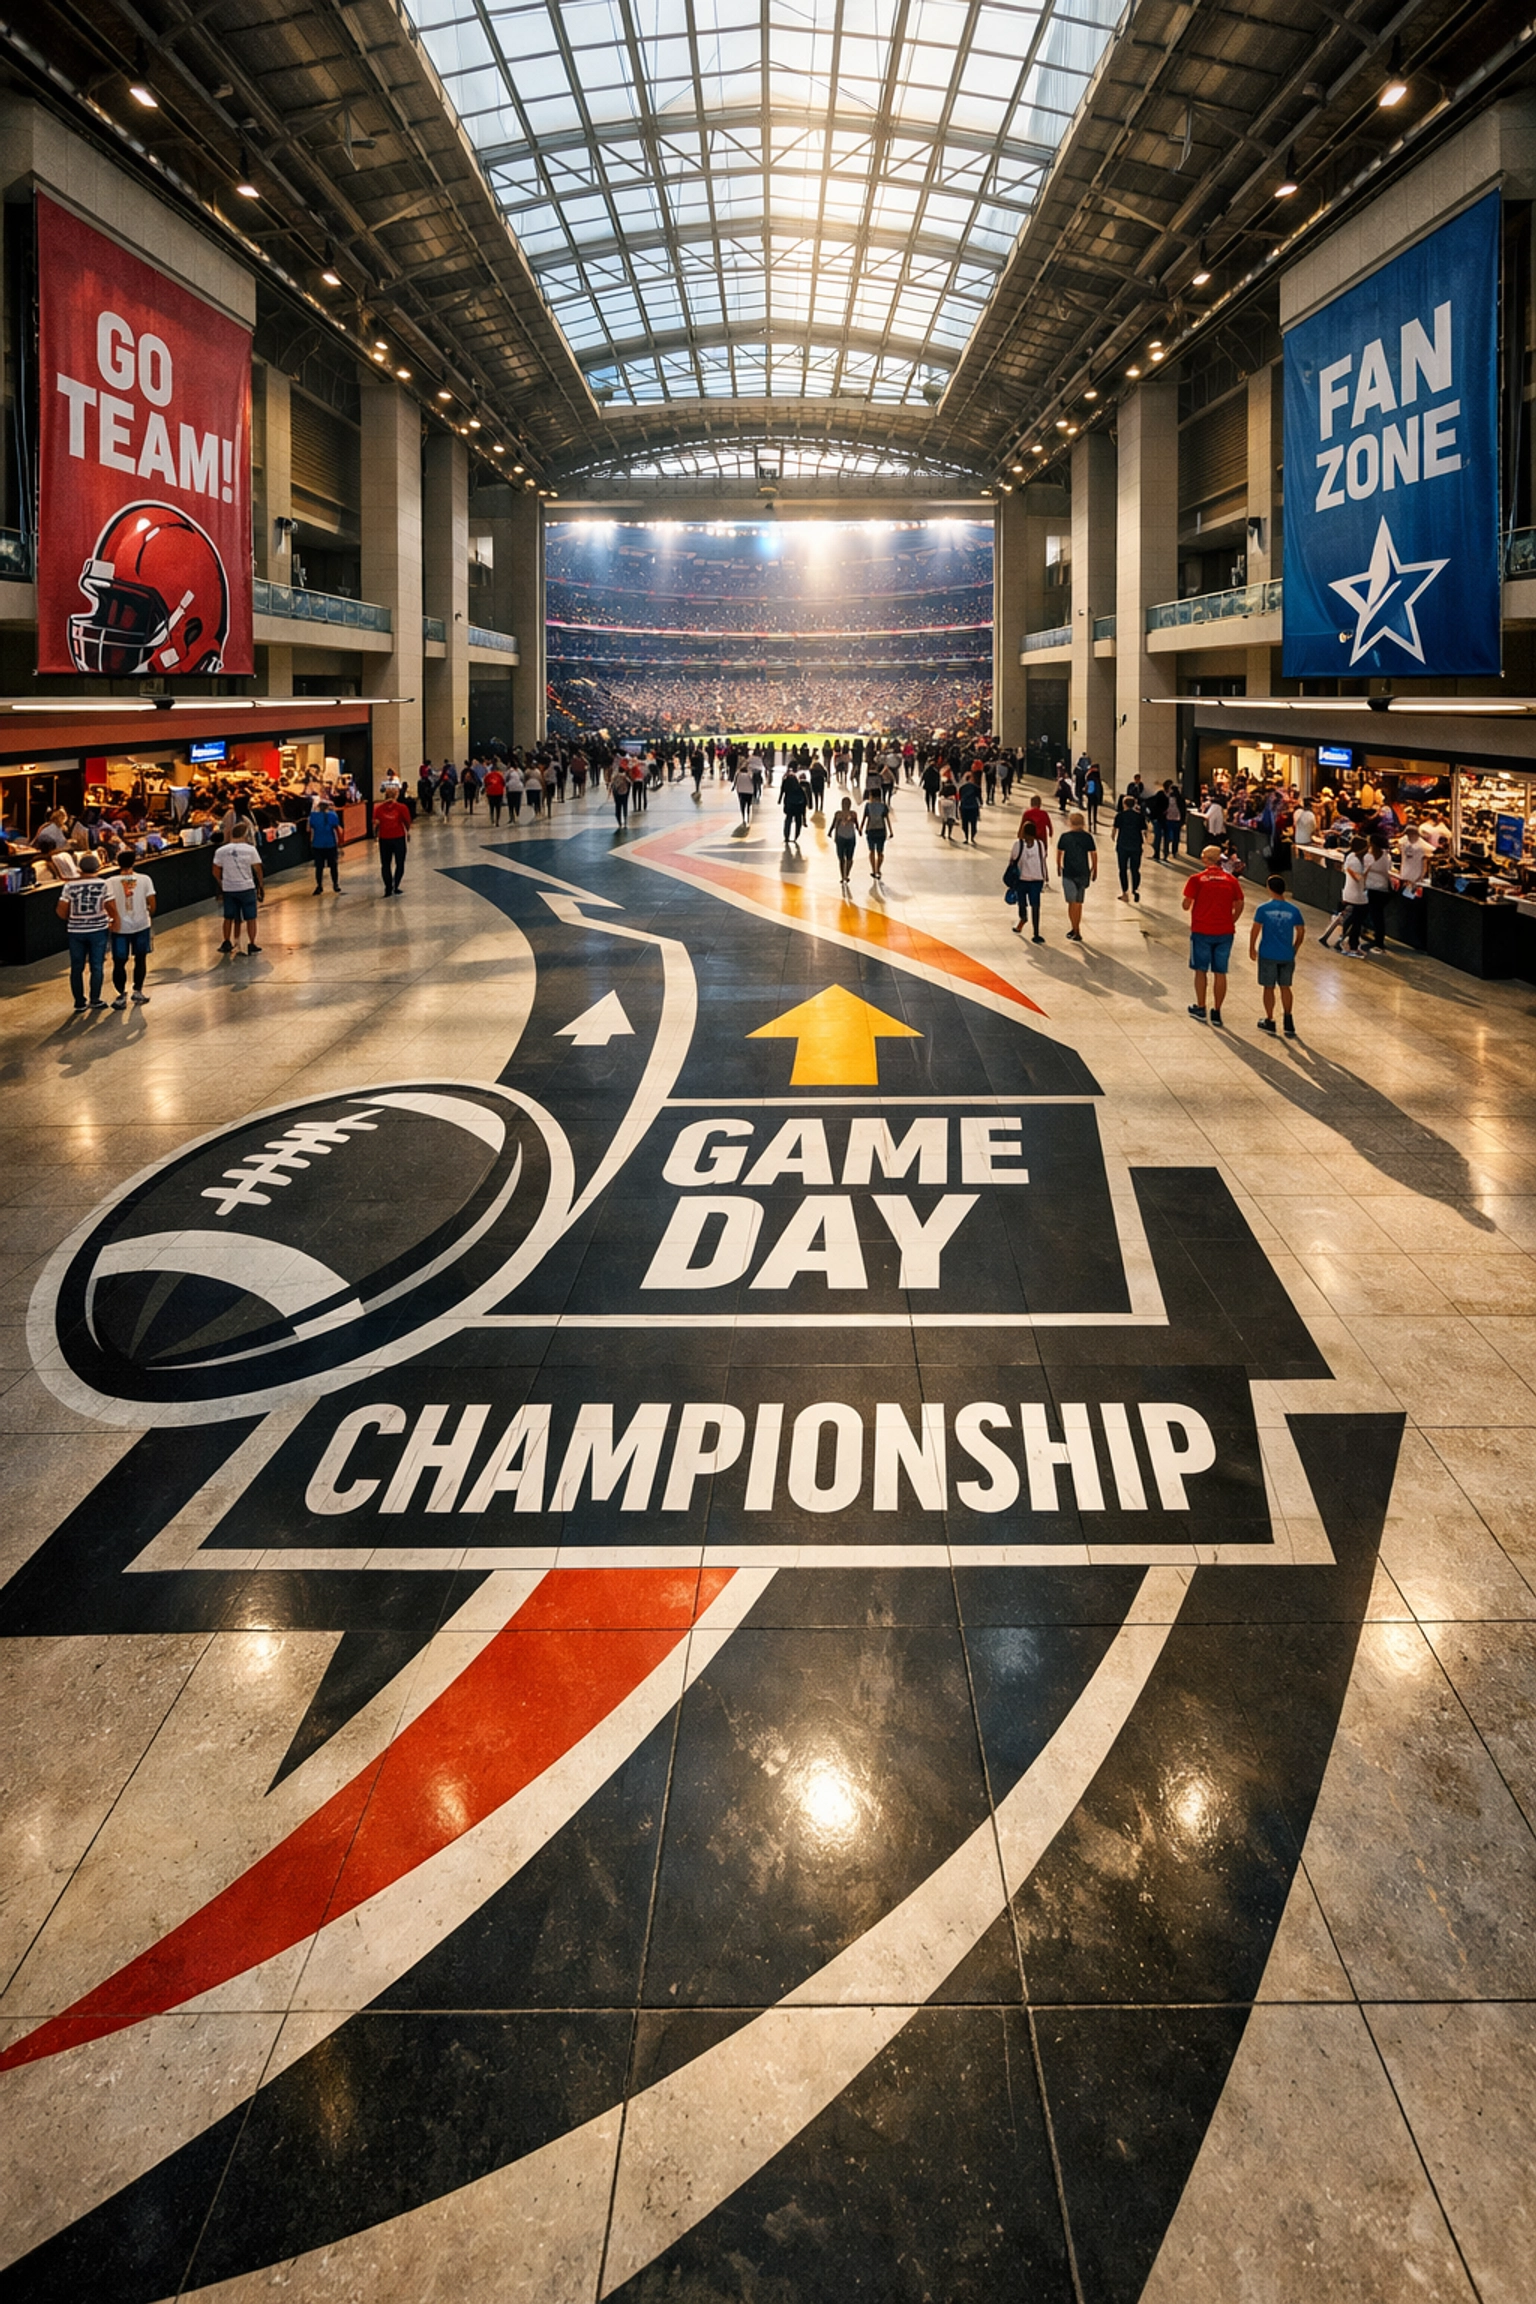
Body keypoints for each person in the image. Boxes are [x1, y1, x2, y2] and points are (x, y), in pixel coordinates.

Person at [1182, 843, 1245, 1024]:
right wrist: (1232, 920)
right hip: (1224, 931)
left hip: (1201, 929)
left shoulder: (1196, 879)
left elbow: (1186, 905)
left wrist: (1188, 904)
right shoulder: (1231, 880)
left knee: (1200, 970)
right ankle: (1217, 1011)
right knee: (1220, 972)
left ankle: (1200, 1006)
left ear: (1205, 859)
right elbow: (1240, 902)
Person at [1249, 873, 1305, 1036]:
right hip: (1287, 954)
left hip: (1268, 953)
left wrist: (1252, 948)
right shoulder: (1294, 910)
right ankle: (1288, 1020)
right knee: (1285, 987)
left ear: (1269, 888)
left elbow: (1255, 929)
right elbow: (1300, 931)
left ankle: (1270, 1019)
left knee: (1269, 987)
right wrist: (1295, 947)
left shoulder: (1263, 909)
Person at [56, 852, 112, 1009]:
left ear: (80, 869)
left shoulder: (69, 886)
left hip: (75, 931)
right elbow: (111, 906)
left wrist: (73, 919)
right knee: (96, 966)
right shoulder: (104, 884)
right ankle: (95, 999)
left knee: (77, 967)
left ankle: (79, 1002)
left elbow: (61, 911)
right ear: (98, 867)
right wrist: (112, 921)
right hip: (98, 930)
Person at [103, 854, 156, 1006]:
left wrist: (113, 920)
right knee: (140, 959)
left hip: (119, 928)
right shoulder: (145, 879)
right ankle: (138, 991)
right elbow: (152, 902)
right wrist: (147, 914)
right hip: (141, 925)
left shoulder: (109, 882)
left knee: (119, 962)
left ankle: (120, 996)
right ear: (134, 862)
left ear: (117, 863)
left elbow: (106, 903)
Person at [213, 819, 264, 956]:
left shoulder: (221, 851)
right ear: (246, 835)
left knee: (228, 916)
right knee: (251, 917)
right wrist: (260, 885)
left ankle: (227, 941)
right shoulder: (250, 850)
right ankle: (252, 943)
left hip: (229, 888)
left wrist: (221, 882)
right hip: (247, 887)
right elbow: (258, 868)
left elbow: (215, 870)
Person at [1056, 809, 1096, 942]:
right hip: (1083, 872)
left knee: (1071, 903)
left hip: (1069, 873)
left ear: (1070, 823)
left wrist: (1058, 866)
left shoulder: (1065, 837)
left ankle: (1075, 929)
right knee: (1078, 904)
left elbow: (1059, 853)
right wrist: (1094, 869)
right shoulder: (1088, 837)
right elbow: (1093, 854)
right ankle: (1076, 928)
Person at [1009, 819, 1049, 942]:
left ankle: (1023, 918)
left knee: (1022, 903)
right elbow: (1043, 859)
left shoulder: (1018, 844)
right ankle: (1036, 933)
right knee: (1035, 906)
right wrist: (1046, 876)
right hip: (1037, 879)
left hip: (1022, 879)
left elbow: (1012, 859)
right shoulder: (1040, 844)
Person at [1111, 791, 1146, 903]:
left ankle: (1124, 892)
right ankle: (1135, 889)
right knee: (1135, 869)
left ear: (1124, 804)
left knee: (1122, 869)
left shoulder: (1120, 816)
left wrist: (1113, 837)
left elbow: (1114, 830)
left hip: (1123, 845)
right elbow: (1145, 831)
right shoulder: (1139, 816)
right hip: (1136, 845)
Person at [375, 790, 411, 895]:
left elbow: (376, 823)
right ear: (396, 795)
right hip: (398, 837)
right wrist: (408, 831)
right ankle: (396, 885)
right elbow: (407, 821)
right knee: (400, 863)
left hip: (384, 838)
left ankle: (388, 887)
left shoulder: (379, 808)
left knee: (385, 864)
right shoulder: (401, 807)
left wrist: (376, 835)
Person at [309, 796, 342, 893]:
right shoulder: (333, 815)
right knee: (333, 866)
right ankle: (335, 884)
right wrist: (340, 842)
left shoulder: (313, 816)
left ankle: (319, 886)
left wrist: (310, 842)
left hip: (317, 844)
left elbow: (310, 830)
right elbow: (337, 829)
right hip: (330, 844)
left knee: (319, 867)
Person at [860, 786, 892, 879]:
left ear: (871, 795)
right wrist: (891, 831)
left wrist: (861, 828)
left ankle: (873, 869)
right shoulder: (883, 806)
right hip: (881, 830)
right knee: (880, 852)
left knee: (871, 851)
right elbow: (887, 819)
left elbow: (865, 817)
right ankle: (878, 869)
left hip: (870, 830)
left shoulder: (868, 806)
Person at [832, 797, 859, 891]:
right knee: (846, 858)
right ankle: (844, 875)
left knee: (845, 859)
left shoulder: (851, 814)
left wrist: (833, 834)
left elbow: (834, 825)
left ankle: (845, 875)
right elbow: (834, 825)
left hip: (843, 837)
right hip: (848, 837)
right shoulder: (840, 814)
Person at [957, 774, 981, 845]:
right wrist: (980, 803)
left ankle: (966, 838)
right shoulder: (976, 787)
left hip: (964, 807)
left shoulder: (962, 787)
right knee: (974, 824)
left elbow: (960, 798)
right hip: (973, 807)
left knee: (965, 824)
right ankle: (972, 837)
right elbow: (979, 797)